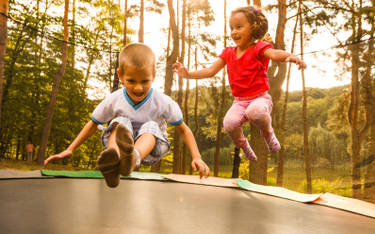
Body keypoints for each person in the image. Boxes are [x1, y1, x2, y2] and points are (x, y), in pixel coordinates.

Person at [44, 43, 210, 188]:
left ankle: (133, 158)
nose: (138, 88)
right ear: (120, 76)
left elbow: (183, 129)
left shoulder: (162, 101)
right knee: (120, 122)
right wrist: (70, 149)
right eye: (131, 81)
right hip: (123, 145)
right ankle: (115, 163)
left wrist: (197, 157)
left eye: (144, 81)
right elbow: (93, 125)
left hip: (152, 148)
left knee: (150, 125)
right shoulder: (114, 99)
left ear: (153, 76)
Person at [173, 6, 307, 161]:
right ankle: (244, 146)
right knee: (229, 124)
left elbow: (275, 53)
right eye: (231, 28)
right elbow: (210, 71)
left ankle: (268, 134)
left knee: (254, 112)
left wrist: (291, 56)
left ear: (254, 27)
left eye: (239, 27)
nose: (234, 32)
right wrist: (187, 74)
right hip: (240, 102)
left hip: (259, 98)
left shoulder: (258, 48)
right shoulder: (228, 53)